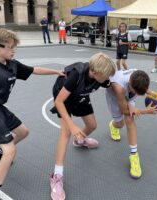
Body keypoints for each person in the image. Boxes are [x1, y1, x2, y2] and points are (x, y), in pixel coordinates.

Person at [0, 28, 62, 200]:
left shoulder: (12, 64)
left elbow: (34, 69)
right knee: (11, 151)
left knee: (23, 132)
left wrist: (57, 72)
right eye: (9, 47)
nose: (13, 50)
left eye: (14, 47)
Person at [49, 52, 116, 200]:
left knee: (92, 125)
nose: (107, 79)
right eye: (105, 76)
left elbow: (113, 86)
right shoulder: (75, 75)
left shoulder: (102, 77)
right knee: (66, 132)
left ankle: (79, 140)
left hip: (80, 94)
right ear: (94, 72)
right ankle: (56, 177)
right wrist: (72, 125)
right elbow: (58, 102)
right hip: (63, 97)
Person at [106, 69, 157, 179]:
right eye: (136, 92)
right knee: (120, 123)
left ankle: (134, 155)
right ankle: (113, 126)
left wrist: (150, 93)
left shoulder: (139, 76)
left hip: (128, 92)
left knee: (130, 120)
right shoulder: (119, 88)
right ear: (130, 83)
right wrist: (145, 111)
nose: (138, 94)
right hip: (116, 96)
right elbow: (124, 111)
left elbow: (139, 90)